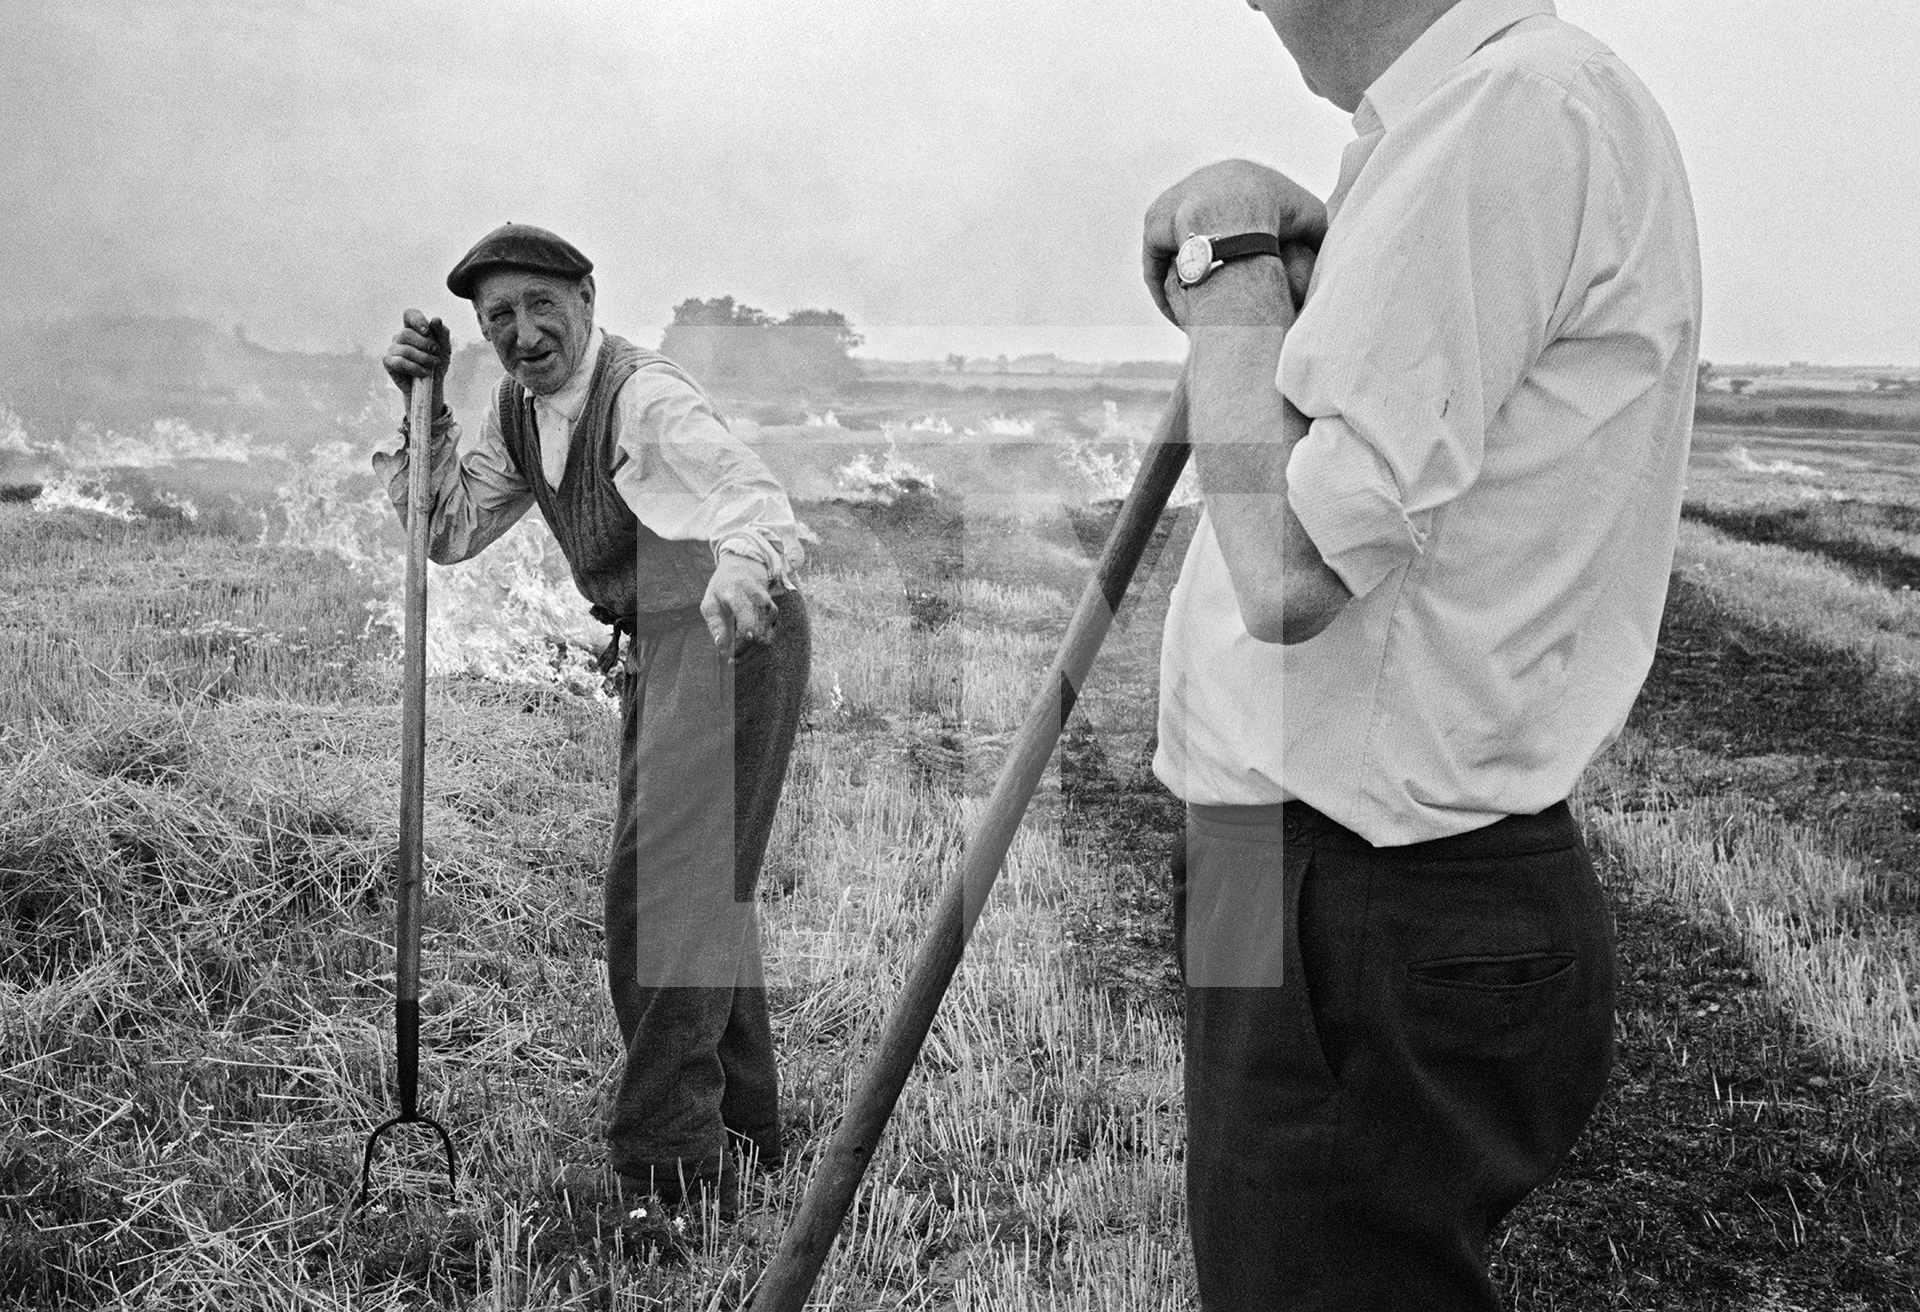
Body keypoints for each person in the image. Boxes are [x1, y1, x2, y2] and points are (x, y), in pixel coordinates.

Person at [1139, 0, 1699, 1307]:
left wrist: (1227, 256)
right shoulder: (1463, 128)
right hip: (1299, 863)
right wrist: (1270, 277)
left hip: (1359, 887)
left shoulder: (1509, 118)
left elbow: (1289, 566)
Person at [376, 222, 811, 1217]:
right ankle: (744, 1131)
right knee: (699, 886)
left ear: (586, 297)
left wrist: (738, 573)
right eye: (499, 319)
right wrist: (425, 406)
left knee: (660, 895)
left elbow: (754, 502)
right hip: (664, 638)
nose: (523, 333)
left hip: (730, 625)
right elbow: (446, 529)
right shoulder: (520, 412)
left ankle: (665, 1168)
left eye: (539, 306)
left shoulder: (643, 397)